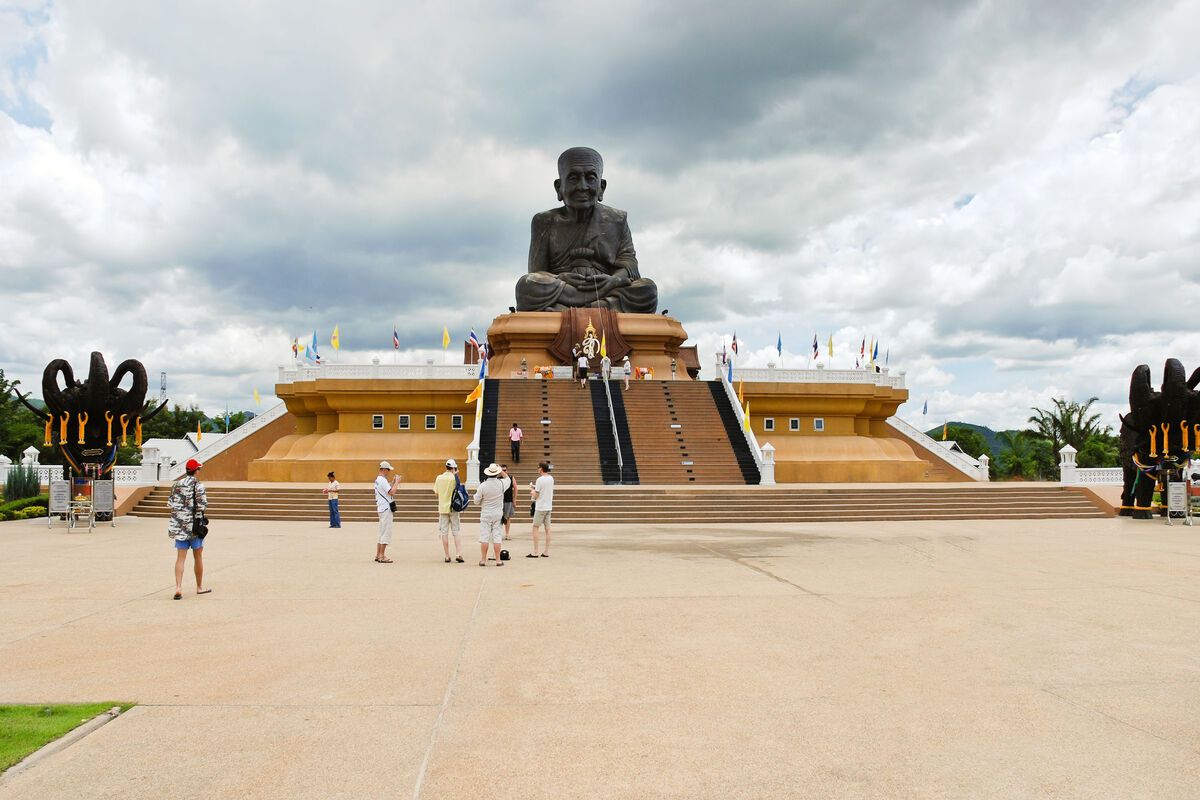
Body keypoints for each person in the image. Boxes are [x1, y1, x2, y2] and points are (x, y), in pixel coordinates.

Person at [515, 147, 658, 313]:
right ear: (559, 187)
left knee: (647, 289)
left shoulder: (616, 219)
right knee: (526, 286)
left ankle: (568, 310)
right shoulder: (544, 221)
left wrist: (612, 281)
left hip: (605, 287)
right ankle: (601, 308)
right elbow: (537, 272)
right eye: (573, 178)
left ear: (601, 187)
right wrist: (560, 278)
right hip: (565, 288)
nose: (582, 186)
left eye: (590, 178)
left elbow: (630, 266)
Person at [168, 458, 209, 599]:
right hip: (195, 527)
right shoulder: (199, 486)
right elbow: (202, 505)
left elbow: (170, 503)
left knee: (180, 558)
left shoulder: (177, 484)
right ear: (196, 471)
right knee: (198, 556)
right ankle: (199, 587)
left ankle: (178, 587)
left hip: (179, 527)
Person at [474, 463, 507, 566]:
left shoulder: (482, 486)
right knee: (497, 537)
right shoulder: (501, 484)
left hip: (486, 513)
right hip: (497, 513)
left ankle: (483, 560)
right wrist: (500, 469)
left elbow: (476, 501)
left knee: (484, 537)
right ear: (497, 473)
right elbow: (508, 479)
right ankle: (498, 560)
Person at [433, 459, 464, 563]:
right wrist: (456, 475)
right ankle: (458, 553)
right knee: (456, 531)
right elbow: (459, 488)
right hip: (453, 508)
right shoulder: (454, 478)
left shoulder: (439, 477)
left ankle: (447, 555)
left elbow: (436, 493)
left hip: (442, 508)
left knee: (444, 532)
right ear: (454, 468)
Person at [374, 460, 401, 563]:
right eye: (388, 470)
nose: (389, 472)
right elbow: (392, 492)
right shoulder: (382, 480)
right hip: (386, 509)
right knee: (386, 532)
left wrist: (393, 482)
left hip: (381, 508)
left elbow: (386, 490)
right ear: (384, 469)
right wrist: (397, 482)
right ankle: (382, 555)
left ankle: (378, 554)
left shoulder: (378, 480)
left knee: (381, 532)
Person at [527, 460, 554, 558]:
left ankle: (535, 551)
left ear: (541, 469)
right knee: (548, 529)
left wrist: (532, 491)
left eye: (538, 467)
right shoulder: (551, 478)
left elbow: (536, 495)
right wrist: (534, 487)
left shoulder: (539, 480)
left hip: (540, 507)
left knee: (535, 527)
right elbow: (544, 489)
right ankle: (546, 551)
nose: (537, 469)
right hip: (548, 506)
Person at [500, 464, 518, 540]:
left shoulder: (511, 478)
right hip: (500, 501)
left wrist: (514, 499)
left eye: (505, 470)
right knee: (499, 518)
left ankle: (507, 534)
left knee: (508, 518)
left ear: (507, 470)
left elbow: (516, 488)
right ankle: (498, 534)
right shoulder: (498, 479)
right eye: (502, 470)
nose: (504, 471)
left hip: (509, 501)